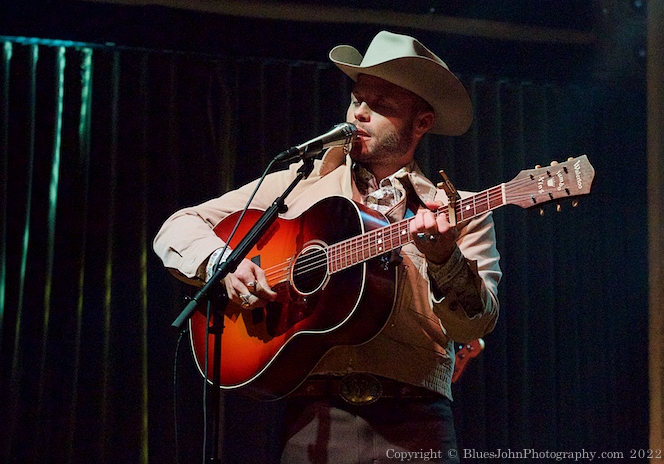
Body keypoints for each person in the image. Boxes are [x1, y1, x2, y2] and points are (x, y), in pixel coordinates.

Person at [153, 30, 501, 463]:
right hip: (311, 421)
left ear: (422, 122)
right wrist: (223, 263)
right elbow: (177, 226)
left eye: (381, 106)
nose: (360, 113)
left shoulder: (458, 210)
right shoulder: (299, 187)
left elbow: (475, 324)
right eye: (357, 99)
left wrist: (445, 257)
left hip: (416, 426)